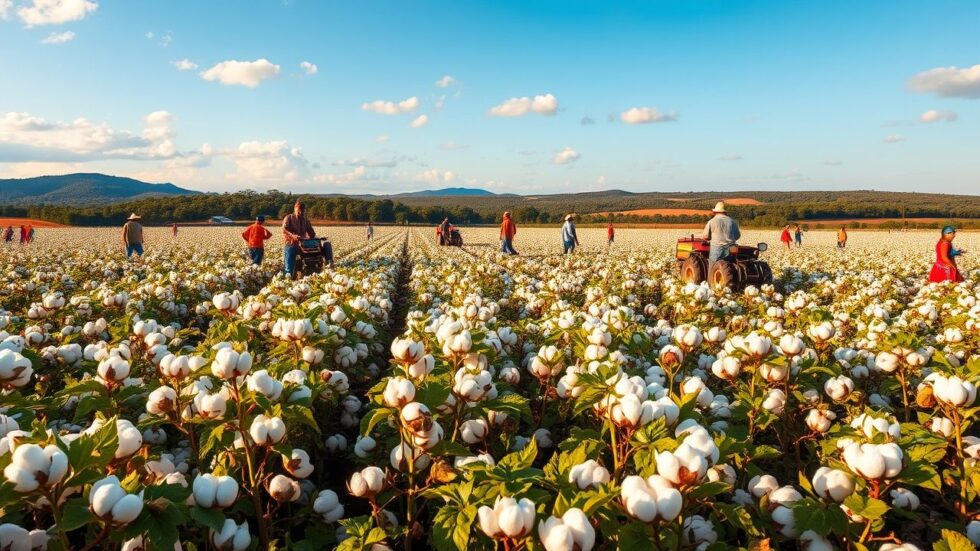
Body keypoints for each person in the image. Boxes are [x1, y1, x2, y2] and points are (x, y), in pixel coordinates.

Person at [282, 200, 332, 278]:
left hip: (303, 243)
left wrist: (318, 238)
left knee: (327, 244)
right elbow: (285, 229)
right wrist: (293, 236)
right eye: (299, 211)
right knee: (290, 254)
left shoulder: (306, 220)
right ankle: (288, 275)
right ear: (295, 208)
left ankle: (329, 264)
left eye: (303, 211)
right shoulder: (289, 218)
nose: (301, 213)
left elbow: (311, 233)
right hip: (292, 243)